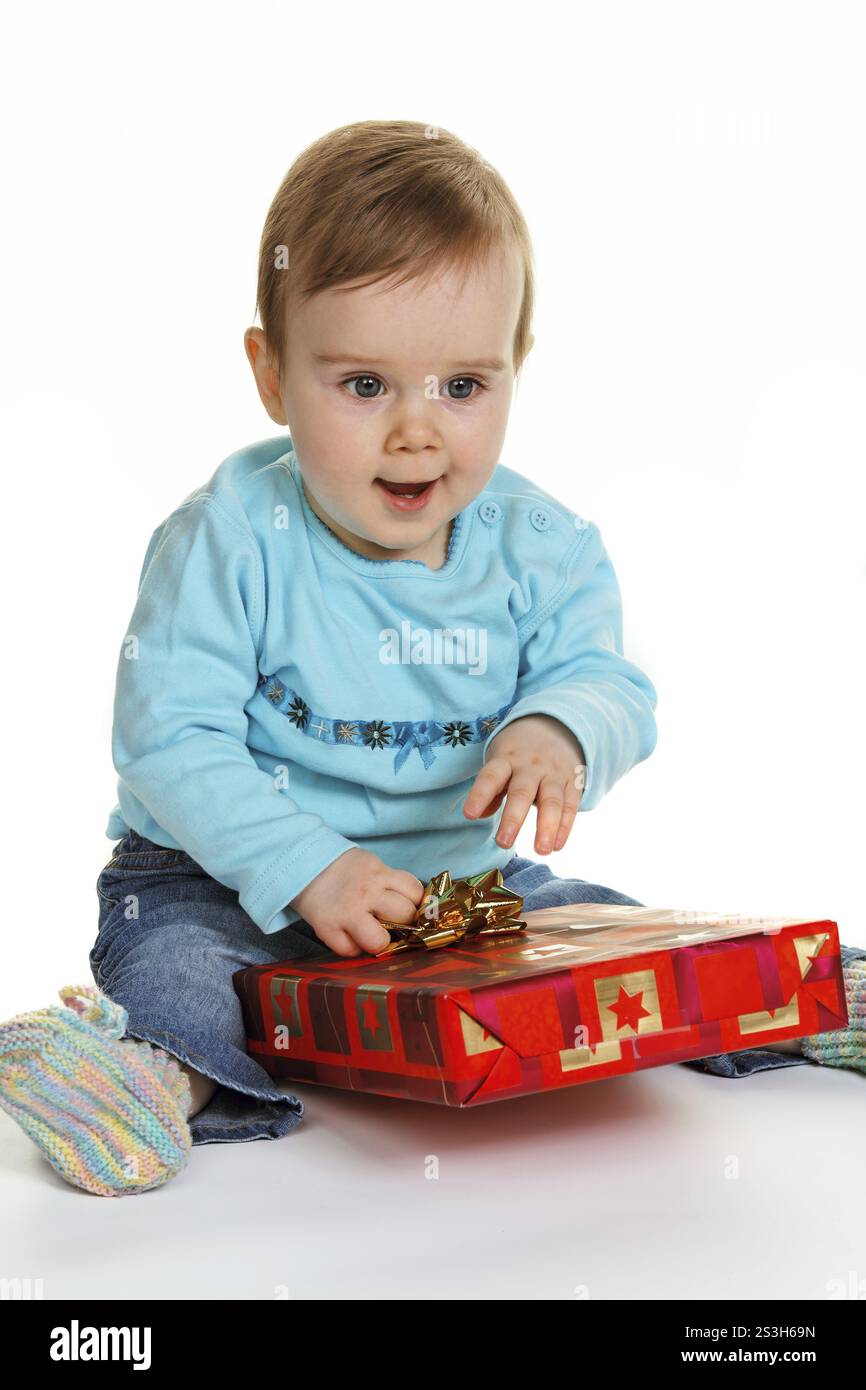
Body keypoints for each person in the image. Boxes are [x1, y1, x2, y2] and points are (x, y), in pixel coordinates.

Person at [1, 121, 862, 1198]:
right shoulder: (228, 538)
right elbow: (167, 738)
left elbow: (606, 681)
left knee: (608, 934)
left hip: (457, 890)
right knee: (186, 976)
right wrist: (308, 868)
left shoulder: (540, 545)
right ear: (271, 375)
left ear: (515, 368)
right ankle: (126, 1073)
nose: (417, 431)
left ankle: (806, 998)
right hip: (222, 881)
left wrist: (559, 729)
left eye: (462, 386)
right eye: (363, 385)